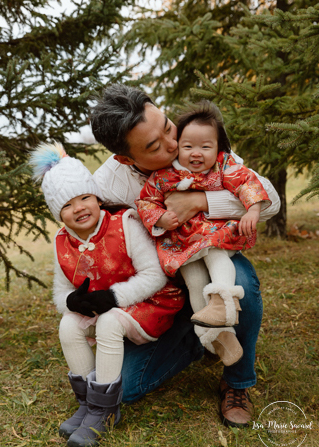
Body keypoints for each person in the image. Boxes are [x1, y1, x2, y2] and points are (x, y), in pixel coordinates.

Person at [89, 84, 280, 428]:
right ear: (126, 158)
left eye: (166, 127)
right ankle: (202, 338)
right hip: (161, 280)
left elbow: (271, 199)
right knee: (127, 388)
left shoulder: (198, 141)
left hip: (211, 250)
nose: (173, 144)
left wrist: (201, 202)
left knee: (241, 284)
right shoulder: (108, 184)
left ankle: (236, 382)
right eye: (155, 145)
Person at [29, 142, 185, 447]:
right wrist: (72, 302)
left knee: (110, 322)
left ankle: (104, 410)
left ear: (97, 197)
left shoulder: (123, 225)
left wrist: (113, 297)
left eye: (85, 197)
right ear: (58, 214)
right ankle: (88, 403)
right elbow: (61, 292)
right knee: (69, 324)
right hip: (107, 306)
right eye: (68, 204)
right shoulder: (62, 242)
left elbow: (154, 275)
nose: (80, 208)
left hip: (150, 301)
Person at [136, 102, 271, 367]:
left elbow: (246, 182)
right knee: (195, 280)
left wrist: (253, 209)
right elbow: (146, 202)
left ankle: (223, 301)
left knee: (216, 255)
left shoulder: (222, 167)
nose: (196, 154)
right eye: (188, 147)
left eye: (205, 147)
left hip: (215, 234)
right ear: (179, 145)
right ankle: (216, 337)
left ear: (218, 148)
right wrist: (161, 217)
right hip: (181, 243)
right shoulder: (164, 176)